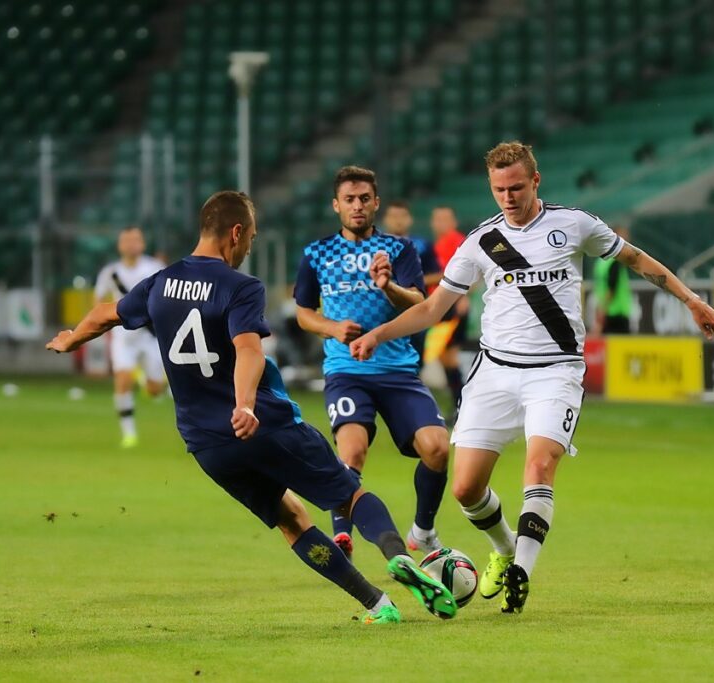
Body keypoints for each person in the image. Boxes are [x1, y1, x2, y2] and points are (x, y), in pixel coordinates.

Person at [45, 191, 455, 624]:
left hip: (207, 444)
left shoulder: (160, 282)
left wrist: (72, 338)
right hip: (264, 425)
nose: (249, 248)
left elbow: (105, 313)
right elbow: (248, 350)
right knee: (349, 495)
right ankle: (396, 554)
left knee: (290, 520)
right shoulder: (240, 287)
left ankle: (377, 604)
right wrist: (245, 405)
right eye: (252, 238)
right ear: (235, 232)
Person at [349, 141, 714, 613]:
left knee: (540, 466)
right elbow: (431, 309)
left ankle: (521, 572)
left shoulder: (574, 224)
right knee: (465, 489)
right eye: (499, 189)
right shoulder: (481, 241)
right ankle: (505, 549)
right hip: (494, 373)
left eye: (517, 187)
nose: (508, 197)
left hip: (555, 372)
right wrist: (378, 334)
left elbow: (634, 258)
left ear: (536, 181)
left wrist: (692, 300)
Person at [294, 167, 450, 559]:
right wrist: (332, 327)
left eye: (364, 198)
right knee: (352, 451)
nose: (357, 206)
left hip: (398, 370)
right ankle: (342, 538)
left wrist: (388, 286)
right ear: (336, 205)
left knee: (437, 448)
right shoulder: (316, 253)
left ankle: (423, 531)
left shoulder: (399, 249)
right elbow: (303, 313)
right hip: (346, 371)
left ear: (376, 202)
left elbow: (420, 303)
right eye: (349, 199)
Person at [93, 226, 167, 448]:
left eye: (135, 240)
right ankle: (129, 434)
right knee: (122, 380)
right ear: (120, 245)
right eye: (126, 241)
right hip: (123, 337)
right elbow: (98, 301)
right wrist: (101, 325)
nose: (131, 245)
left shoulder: (155, 268)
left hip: (150, 336)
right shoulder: (110, 272)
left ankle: (146, 380)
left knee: (155, 391)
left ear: (142, 244)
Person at [381, 200, 440, 366]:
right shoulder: (375, 246)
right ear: (385, 219)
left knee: (415, 360)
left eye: (402, 216)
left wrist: (410, 283)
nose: (398, 220)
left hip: (416, 309)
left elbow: (438, 275)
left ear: (410, 219)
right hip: (385, 311)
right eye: (393, 216)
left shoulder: (422, 245)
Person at [429, 207, 469, 412]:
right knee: (444, 356)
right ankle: (458, 406)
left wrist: (463, 297)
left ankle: (461, 406)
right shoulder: (438, 244)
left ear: (454, 221)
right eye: (438, 219)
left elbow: (467, 273)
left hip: (452, 305)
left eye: (445, 219)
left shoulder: (458, 241)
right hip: (440, 306)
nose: (441, 223)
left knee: (449, 356)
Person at [592, 226, 633, 334]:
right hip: (617, 314)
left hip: (606, 312)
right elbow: (611, 289)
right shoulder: (615, 262)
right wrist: (602, 310)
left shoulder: (601, 262)